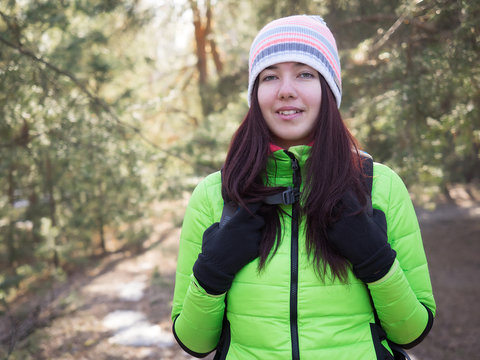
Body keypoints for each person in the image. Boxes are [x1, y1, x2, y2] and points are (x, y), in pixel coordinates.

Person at [171, 15, 436, 360]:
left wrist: (375, 259)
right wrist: (214, 269)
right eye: (270, 76)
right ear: (256, 93)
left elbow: (411, 331)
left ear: (329, 88)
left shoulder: (378, 186)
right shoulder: (215, 194)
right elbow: (195, 342)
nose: (285, 89)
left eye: (305, 73)